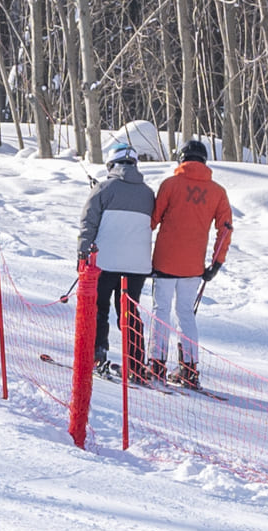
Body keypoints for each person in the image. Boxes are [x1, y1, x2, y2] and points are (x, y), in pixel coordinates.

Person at [148, 139, 235, 389]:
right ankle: (189, 368)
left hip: (164, 260)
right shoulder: (218, 192)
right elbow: (225, 229)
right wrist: (216, 264)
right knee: (186, 314)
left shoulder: (170, 185)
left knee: (161, 311)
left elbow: (153, 220)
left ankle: (157, 364)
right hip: (193, 266)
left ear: (182, 159)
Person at [76, 139, 156, 380]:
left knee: (99, 309)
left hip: (105, 263)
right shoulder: (148, 193)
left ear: (112, 163)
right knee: (129, 312)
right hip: (137, 266)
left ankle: (97, 354)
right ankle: (135, 363)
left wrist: (82, 255)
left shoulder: (102, 189)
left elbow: (88, 224)